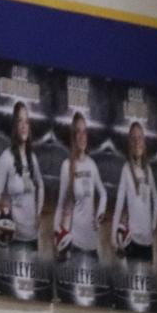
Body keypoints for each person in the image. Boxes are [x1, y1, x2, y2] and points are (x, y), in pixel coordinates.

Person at [0, 99, 46, 252]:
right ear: (14, 126)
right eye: (19, 121)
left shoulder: (32, 158)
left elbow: (40, 185)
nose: (24, 126)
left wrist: (39, 212)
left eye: (27, 121)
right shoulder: (6, 158)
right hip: (13, 237)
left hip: (32, 238)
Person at [53, 111, 107, 262]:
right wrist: (57, 236)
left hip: (93, 246)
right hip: (75, 245)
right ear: (73, 136)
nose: (82, 136)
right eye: (78, 132)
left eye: (85, 132)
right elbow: (60, 206)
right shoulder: (66, 166)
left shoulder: (92, 165)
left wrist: (100, 214)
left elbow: (103, 193)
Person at [111, 118, 157, 264]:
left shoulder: (148, 170)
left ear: (144, 143)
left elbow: (156, 200)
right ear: (130, 144)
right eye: (133, 138)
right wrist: (114, 236)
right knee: (132, 283)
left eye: (140, 138)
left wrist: (153, 226)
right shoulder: (126, 169)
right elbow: (119, 204)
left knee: (147, 284)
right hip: (132, 240)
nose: (137, 141)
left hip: (148, 242)